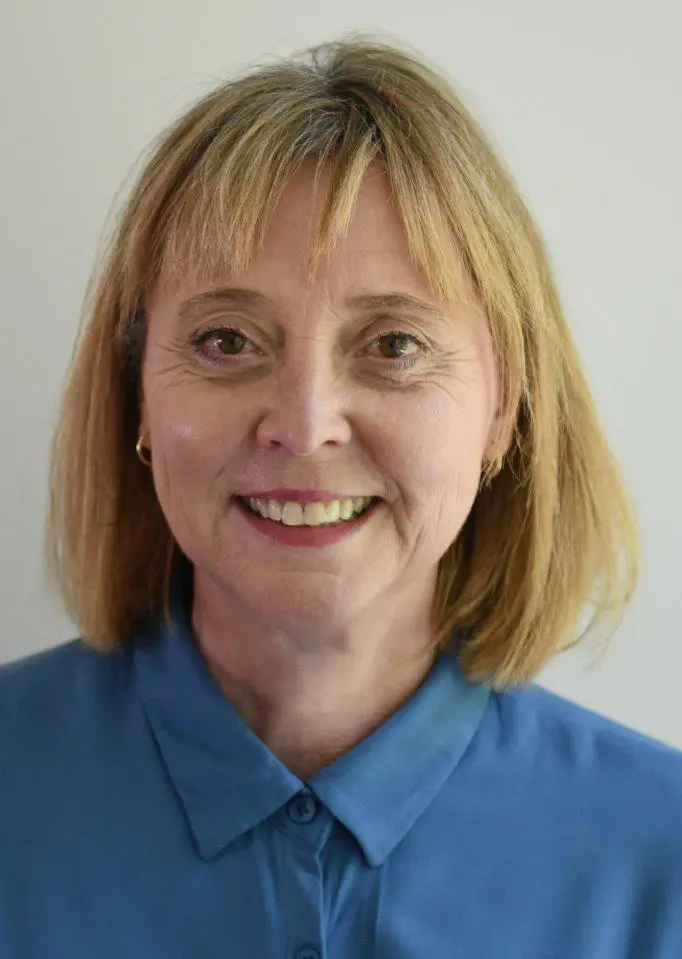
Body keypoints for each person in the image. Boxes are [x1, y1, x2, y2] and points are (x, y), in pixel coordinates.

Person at [1, 35, 680, 959]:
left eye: (393, 346)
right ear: (139, 399)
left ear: (504, 409)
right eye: (227, 341)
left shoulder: (660, 854)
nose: (305, 423)